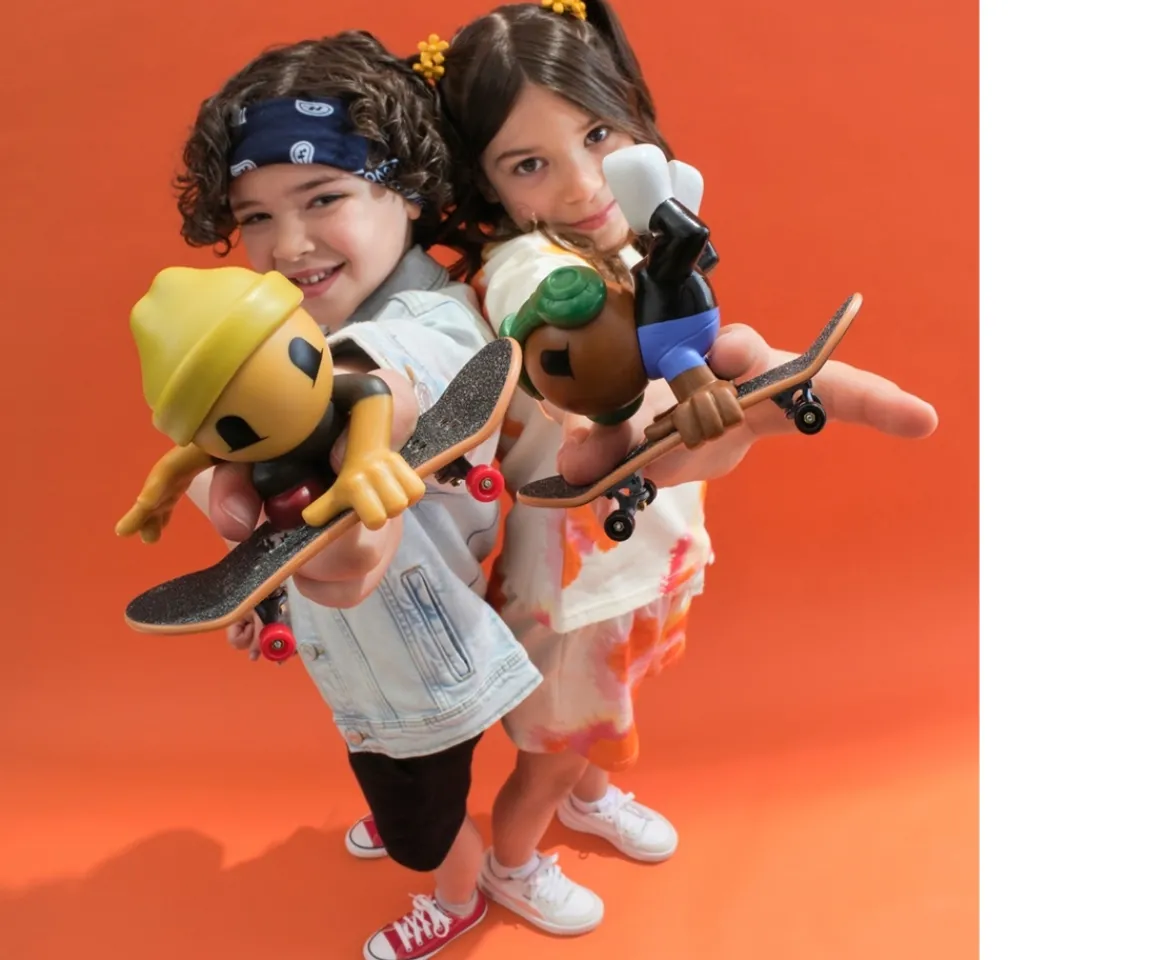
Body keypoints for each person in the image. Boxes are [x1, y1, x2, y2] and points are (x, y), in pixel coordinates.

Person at [331, 0, 937, 939]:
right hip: (577, 588)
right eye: (529, 164)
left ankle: (588, 795)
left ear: (633, 115)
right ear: (487, 185)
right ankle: (515, 861)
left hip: (650, 550)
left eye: (598, 135)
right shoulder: (529, 265)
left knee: (607, 711)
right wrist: (641, 375)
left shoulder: (640, 240)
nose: (582, 184)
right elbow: (559, 316)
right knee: (557, 745)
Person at [145, 30, 545, 960]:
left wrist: (250, 452)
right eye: (254, 216)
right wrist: (267, 593)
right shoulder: (297, 329)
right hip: (360, 652)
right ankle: (406, 804)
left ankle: (456, 893)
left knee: (421, 817)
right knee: (387, 762)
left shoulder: (436, 323)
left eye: (323, 198)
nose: (287, 246)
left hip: (419, 662)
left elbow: (383, 377)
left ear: (406, 190)